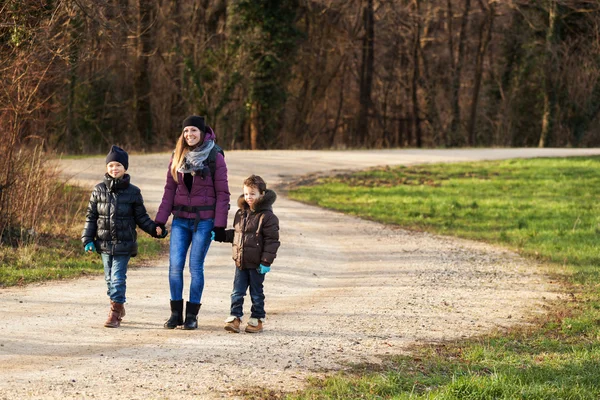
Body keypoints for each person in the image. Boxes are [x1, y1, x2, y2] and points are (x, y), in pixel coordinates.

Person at [155, 115, 230, 330]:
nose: (189, 135)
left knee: (195, 267)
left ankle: (192, 316)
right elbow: (170, 191)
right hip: (180, 220)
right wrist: (160, 220)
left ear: (202, 132)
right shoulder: (177, 156)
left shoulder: (215, 156)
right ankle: (175, 314)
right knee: (175, 267)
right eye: (186, 131)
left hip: (204, 221)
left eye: (194, 131)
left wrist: (219, 224)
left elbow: (223, 193)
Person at [82, 145, 166, 328]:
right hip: (104, 243)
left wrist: (155, 230)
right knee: (109, 279)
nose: (114, 169)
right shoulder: (98, 191)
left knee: (118, 277)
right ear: (106, 167)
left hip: (124, 244)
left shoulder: (133, 192)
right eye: (111, 165)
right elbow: (91, 217)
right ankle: (118, 306)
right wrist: (87, 239)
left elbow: (141, 217)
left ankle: (114, 313)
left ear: (125, 168)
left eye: (118, 165)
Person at [213, 175, 280, 333]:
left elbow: (272, 242)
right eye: (246, 194)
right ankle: (235, 317)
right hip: (241, 262)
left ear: (262, 194)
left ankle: (257, 319)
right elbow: (236, 234)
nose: (249, 197)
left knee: (256, 293)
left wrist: (266, 262)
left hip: (257, 264)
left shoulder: (268, 217)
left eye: (252, 194)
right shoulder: (241, 213)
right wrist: (220, 235)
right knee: (237, 291)